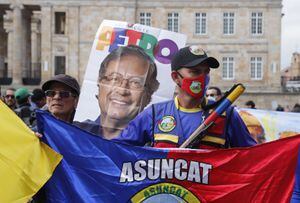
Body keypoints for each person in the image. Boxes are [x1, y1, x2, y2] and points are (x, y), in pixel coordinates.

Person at [116, 45, 256, 149]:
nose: (202, 77)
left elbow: (255, 158)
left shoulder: (226, 114)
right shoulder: (154, 114)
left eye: (206, 72)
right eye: (195, 72)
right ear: (176, 77)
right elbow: (116, 151)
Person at [76, 45, 159, 139]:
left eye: (135, 83)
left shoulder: (156, 147)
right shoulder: (72, 135)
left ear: (148, 96)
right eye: (114, 79)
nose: (122, 90)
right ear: (100, 83)